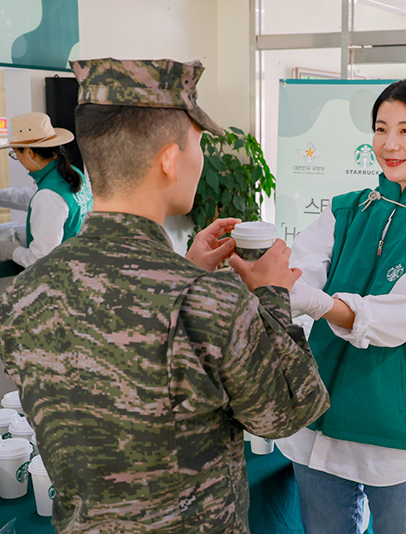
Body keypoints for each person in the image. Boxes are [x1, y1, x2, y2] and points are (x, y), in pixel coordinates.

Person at [0, 58, 329, 533]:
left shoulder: (24, 295)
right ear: (170, 159)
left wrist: (187, 271)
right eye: (199, 144)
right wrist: (272, 296)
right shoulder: (211, 303)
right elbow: (288, 412)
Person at [277, 77, 406, 534]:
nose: (389, 144)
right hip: (319, 418)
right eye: (380, 128)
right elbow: (298, 272)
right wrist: (271, 279)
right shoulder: (345, 210)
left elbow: (391, 320)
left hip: (397, 430)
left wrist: (312, 301)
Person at [0, 112, 93, 268]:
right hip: (81, 261)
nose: (18, 159)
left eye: (15, 153)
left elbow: (39, 260)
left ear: (29, 152)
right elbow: (34, 198)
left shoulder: (48, 195)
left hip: (62, 272)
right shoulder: (73, 174)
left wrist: (10, 250)